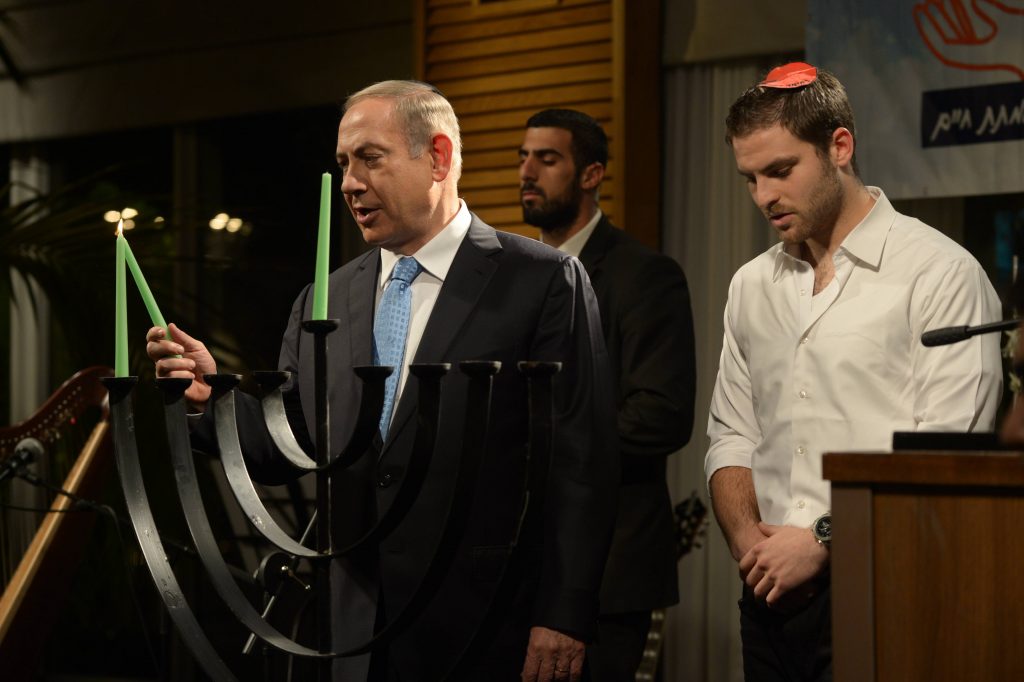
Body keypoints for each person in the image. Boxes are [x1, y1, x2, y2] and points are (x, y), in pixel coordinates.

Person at [147, 80, 618, 682]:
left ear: (439, 157)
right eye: (343, 164)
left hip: (487, 626)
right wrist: (213, 399)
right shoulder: (325, 297)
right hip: (355, 632)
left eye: (370, 158)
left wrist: (564, 614)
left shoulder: (543, 282)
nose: (348, 183)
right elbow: (287, 445)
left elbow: (582, 463)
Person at [705, 62, 1002, 681]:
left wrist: (820, 537)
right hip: (768, 593)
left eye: (781, 171)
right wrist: (745, 540)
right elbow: (731, 434)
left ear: (840, 146)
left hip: (889, 583)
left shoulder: (940, 273)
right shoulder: (750, 285)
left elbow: (946, 452)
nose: (763, 196)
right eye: (751, 178)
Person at [518, 109, 696, 681]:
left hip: (611, 568)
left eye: (548, 159)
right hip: (520, 562)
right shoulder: (514, 277)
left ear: (591, 174)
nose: (528, 171)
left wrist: (535, 434)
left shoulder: (644, 275)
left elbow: (661, 417)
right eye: (523, 157)